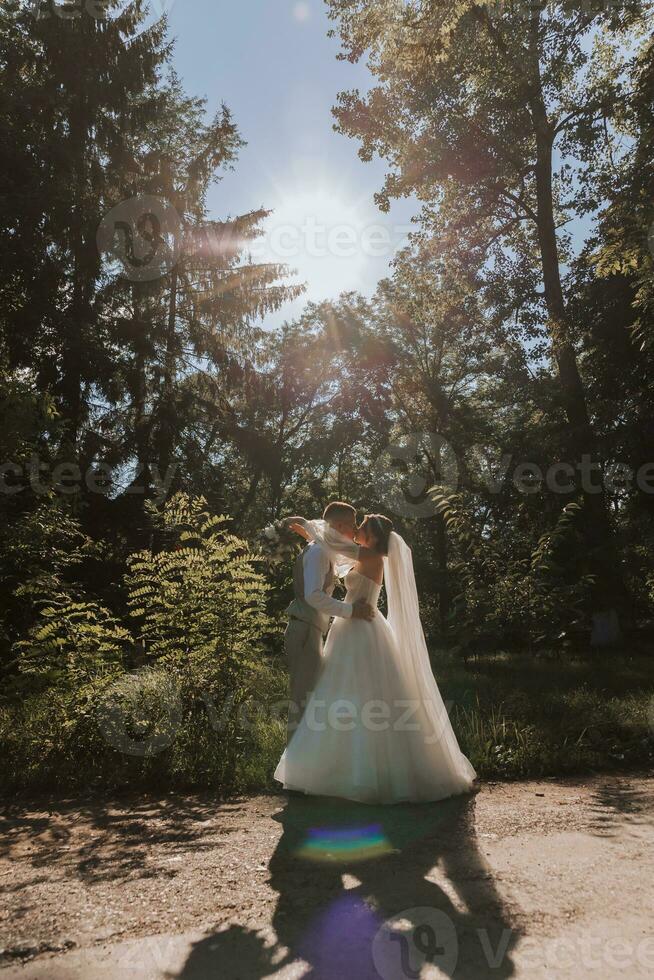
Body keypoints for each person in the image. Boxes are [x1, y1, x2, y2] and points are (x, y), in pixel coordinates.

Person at [275, 513, 477, 804]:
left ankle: (358, 772)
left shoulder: (369, 555)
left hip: (361, 626)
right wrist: (310, 537)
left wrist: (309, 525)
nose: (356, 528)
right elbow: (334, 552)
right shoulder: (367, 554)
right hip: (353, 625)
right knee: (346, 693)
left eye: (362, 526)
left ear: (372, 536)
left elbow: (333, 544)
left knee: (361, 694)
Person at [282, 501, 374, 744]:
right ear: (341, 525)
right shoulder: (319, 552)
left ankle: (298, 768)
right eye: (353, 526)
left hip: (309, 628)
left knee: (307, 699)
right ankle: (292, 774)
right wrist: (350, 610)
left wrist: (307, 527)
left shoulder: (320, 548)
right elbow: (314, 595)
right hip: (304, 631)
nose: (354, 532)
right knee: (302, 701)